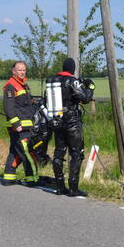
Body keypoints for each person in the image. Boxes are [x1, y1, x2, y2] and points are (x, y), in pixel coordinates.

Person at [46, 57, 95, 197]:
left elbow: (46, 100)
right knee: (76, 153)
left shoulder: (52, 81)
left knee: (59, 152)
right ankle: (73, 188)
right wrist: (91, 87)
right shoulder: (72, 81)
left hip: (57, 120)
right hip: (71, 121)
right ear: (72, 68)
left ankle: (60, 186)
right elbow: (85, 98)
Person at [1, 61, 39, 187]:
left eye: (24, 70)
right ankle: (32, 178)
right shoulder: (11, 86)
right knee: (27, 152)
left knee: (15, 151)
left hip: (25, 125)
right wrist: (16, 124)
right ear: (14, 71)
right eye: (20, 70)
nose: (22, 72)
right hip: (19, 127)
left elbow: (26, 105)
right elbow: (9, 108)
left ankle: (9, 176)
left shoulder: (23, 85)